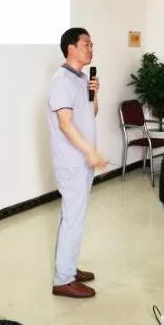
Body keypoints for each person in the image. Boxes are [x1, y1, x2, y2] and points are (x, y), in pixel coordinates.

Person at [47, 27, 106, 298]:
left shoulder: (81, 79)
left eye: (92, 45)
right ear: (71, 48)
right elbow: (65, 123)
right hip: (72, 161)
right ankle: (63, 279)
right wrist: (89, 152)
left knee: (74, 216)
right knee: (73, 217)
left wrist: (95, 94)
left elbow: (90, 114)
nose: (91, 49)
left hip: (82, 160)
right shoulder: (61, 81)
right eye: (86, 44)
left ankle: (68, 266)